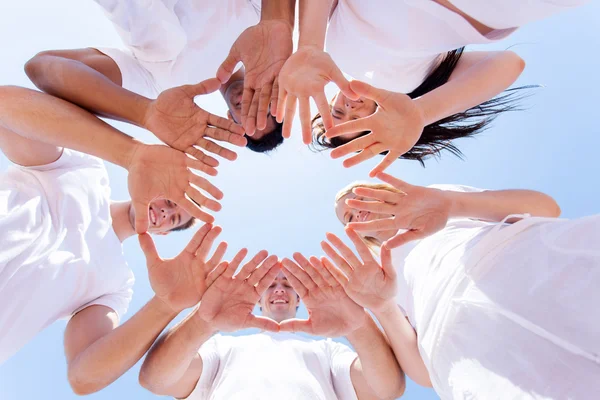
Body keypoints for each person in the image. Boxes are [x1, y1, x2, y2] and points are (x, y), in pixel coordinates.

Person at [0, 84, 246, 394]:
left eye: (174, 219)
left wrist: (165, 305)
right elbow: (4, 107)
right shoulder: (85, 168)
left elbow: (84, 376)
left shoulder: (115, 282)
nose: (165, 213)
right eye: (170, 201)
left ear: (164, 233)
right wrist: (131, 154)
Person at [320, 172, 600, 399]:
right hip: (472, 350)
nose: (356, 213)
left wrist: (450, 202)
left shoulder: (434, 198)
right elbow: (423, 375)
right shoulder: (374, 277)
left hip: (530, 263)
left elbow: (546, 208)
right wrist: (381, 307)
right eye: (348, 217)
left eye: (358, 200)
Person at [277, 0, 588, 174]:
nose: (348, 108)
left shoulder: (328, 56)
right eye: (355, 121)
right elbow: (508, 64)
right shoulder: (416, 88)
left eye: (337, 112)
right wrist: (421, 112)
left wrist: (309, 44)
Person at [25, 0, 296, 155]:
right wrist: (278, 23)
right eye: (263, 113)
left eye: (247, 121)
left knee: (165, 46)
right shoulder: (262, 28)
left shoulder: (164, 87)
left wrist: (144, 113)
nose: (249, 110)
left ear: (231, 122)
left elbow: (43, 66)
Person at [139, 252, 404, 399]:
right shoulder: (223, 346)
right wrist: (201, 323)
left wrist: (357, 327)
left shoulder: (327, 350)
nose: (279, 290)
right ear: (257, 299)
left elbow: (386, 389)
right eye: (271, 285)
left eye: (288, 285)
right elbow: (157, 381)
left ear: (300, 299)